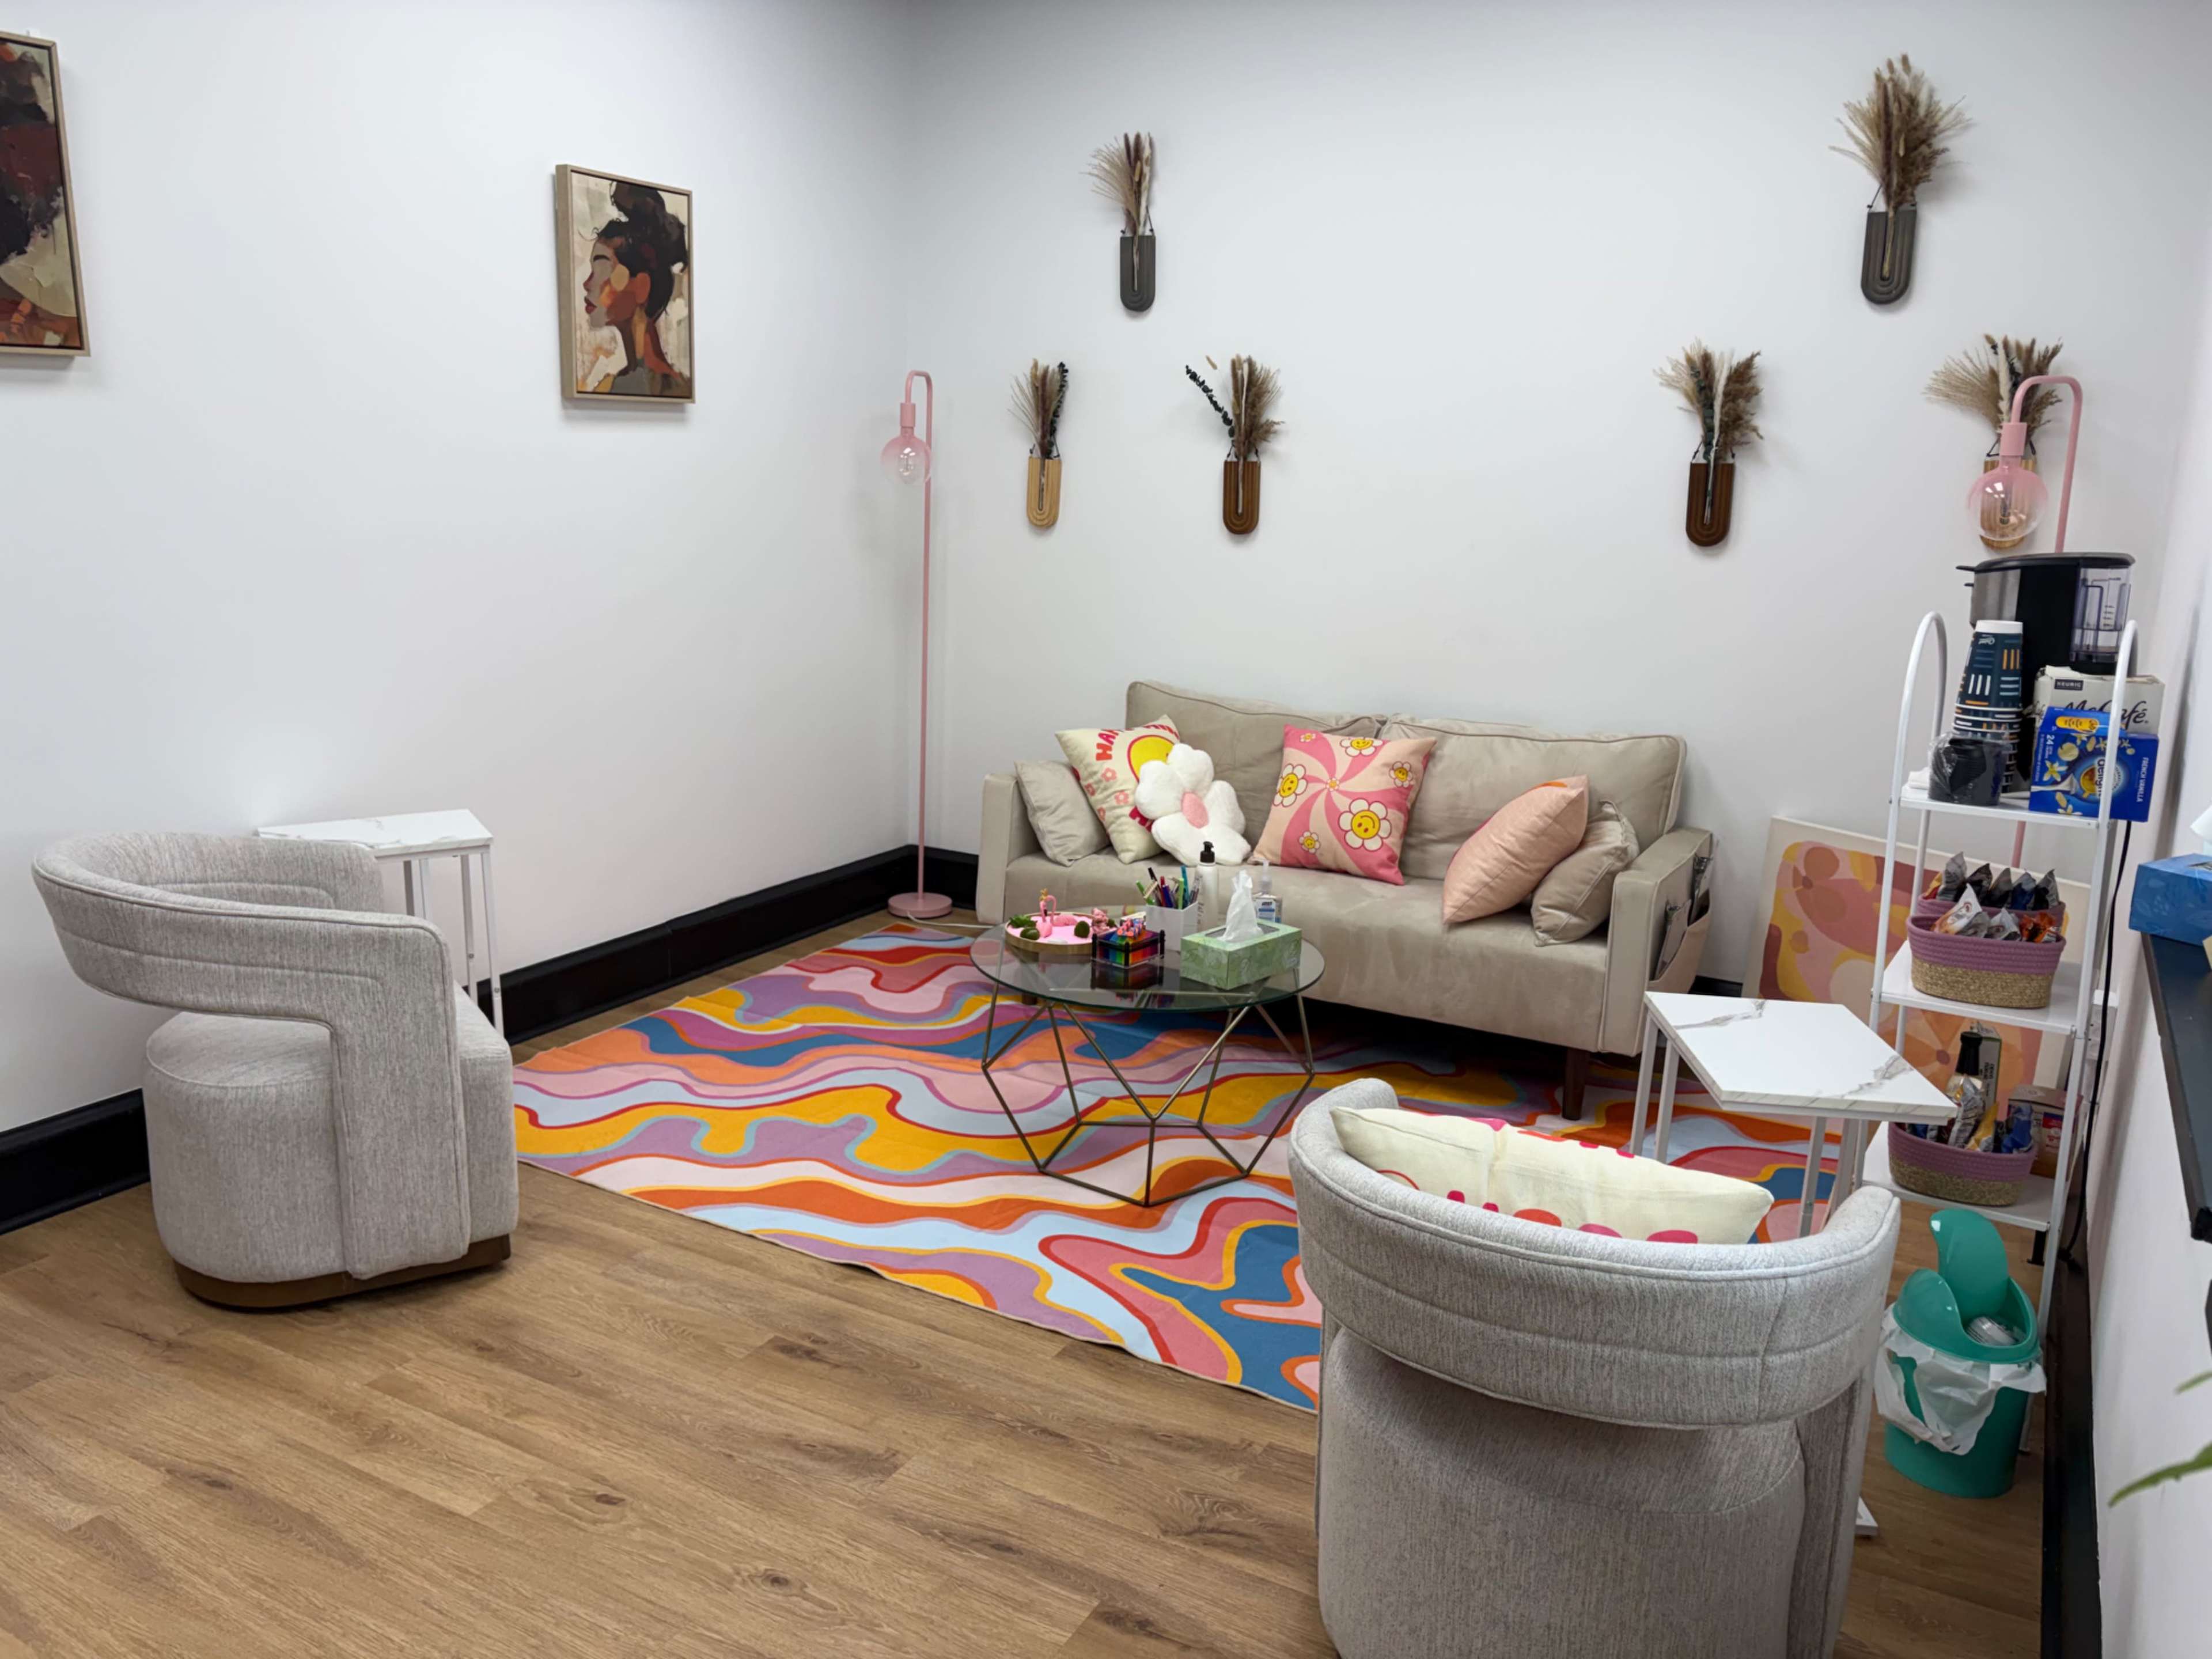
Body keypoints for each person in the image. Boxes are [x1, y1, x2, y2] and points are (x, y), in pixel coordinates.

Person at [577, 181, 690, 397]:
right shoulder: (611, 386)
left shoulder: (673, 389)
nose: (586, 283)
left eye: (601, 267)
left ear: (641, 287)